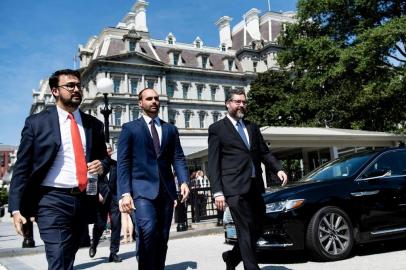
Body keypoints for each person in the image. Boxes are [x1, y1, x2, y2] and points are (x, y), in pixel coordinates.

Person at [8, 69, 110, 270]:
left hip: (83, 200)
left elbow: (105, 160)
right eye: (70, 86)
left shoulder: (94, 125)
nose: (76, 89)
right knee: (59, 257)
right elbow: (22, 168)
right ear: (55, 91)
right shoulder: (37, 123)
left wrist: (102, 165)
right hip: (51, 201)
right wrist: (16, 208)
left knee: (67, 257)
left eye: (79, 86)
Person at [207, 89, 288, 270]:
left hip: (254, 185)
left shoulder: (252, 127)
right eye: (237, 102)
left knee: (257, 227)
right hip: (233, 188)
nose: (241, 105)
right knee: (244, 229)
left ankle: (232, 257)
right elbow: (212, 163)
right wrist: (218, 192)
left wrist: (278, 169)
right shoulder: (217, 129)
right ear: (227, 104)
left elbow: (264, 152)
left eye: (244, 102)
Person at [117, 88, 190, 270]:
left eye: (156, 98)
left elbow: (178, 157)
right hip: (141, 191)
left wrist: (183, 181)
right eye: (149, 98)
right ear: (140, 103)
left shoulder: (170, 129)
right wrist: (125, 193)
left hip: (166, 191)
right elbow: (123, 163)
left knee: (162, 235)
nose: (154, 101)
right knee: (148, 230)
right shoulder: (130, 129)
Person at [89, 143, 122, 263]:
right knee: (100, 225)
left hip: (114, 199)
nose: (108, 152)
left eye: (109, 150)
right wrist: (96, 194)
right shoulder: (96, 165)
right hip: (101, 199)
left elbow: (120, 181)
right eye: (105, 150)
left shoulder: (116, 165)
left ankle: (113, 253)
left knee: (116, 225)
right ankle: (94, 244)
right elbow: (91, 181)